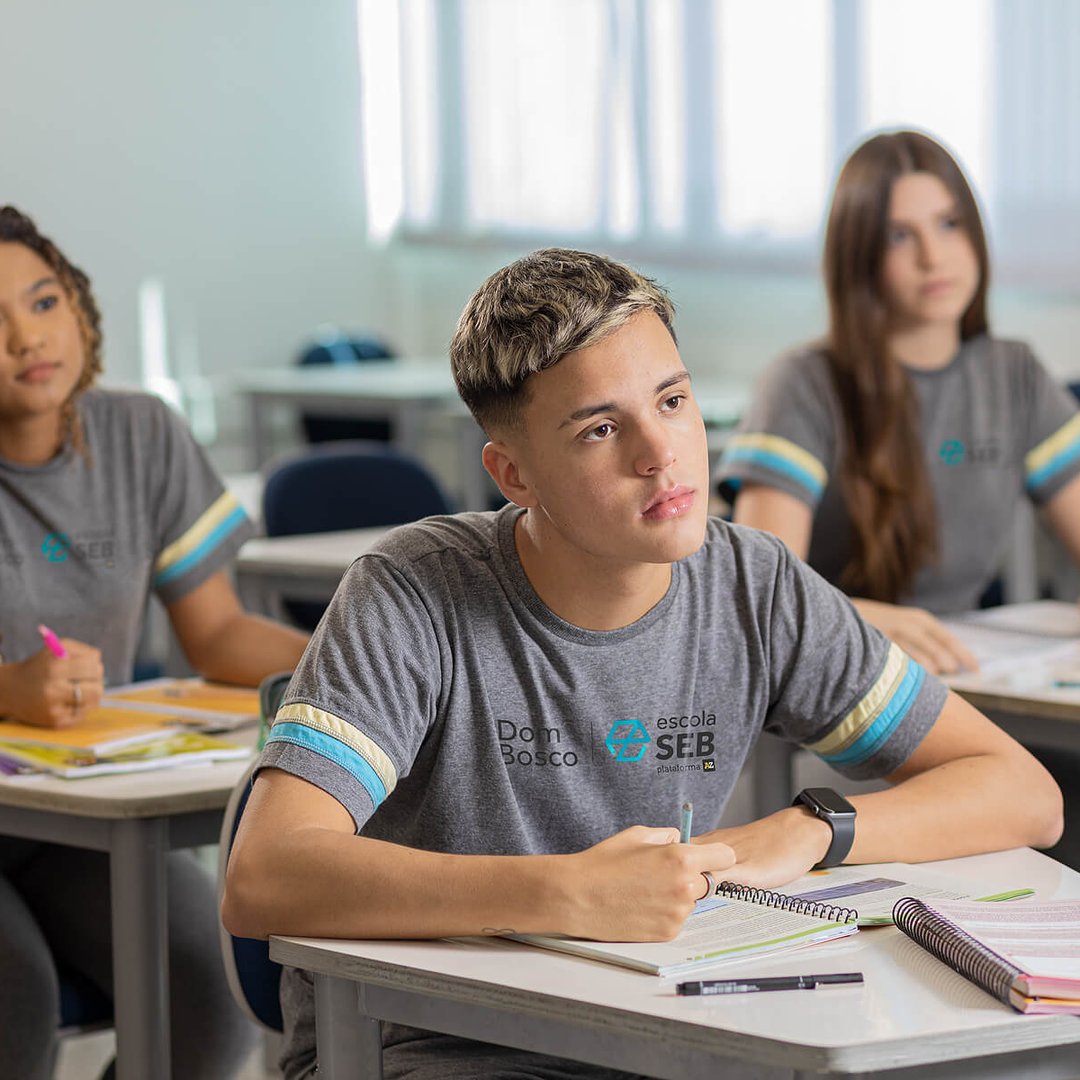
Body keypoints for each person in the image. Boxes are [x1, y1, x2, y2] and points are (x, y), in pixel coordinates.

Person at [223, 246, 1062, 1080]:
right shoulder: (414, 590)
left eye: (673, 400)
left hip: (668, 1035)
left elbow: (1022, 791)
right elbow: (264, 875)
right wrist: (565, 893)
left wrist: (808, 831)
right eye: (600, 428)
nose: (660, 454)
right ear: (513, 473)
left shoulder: (753, 584)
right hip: (432, 1044)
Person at [0, 205, 309, 1080]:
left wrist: (345, 665)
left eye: (44, 301)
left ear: (80, 309)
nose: (28, 337)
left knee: (211, 997)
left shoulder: (140, 433)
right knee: (13, 1001)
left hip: (78, 821)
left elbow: (214, 633)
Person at [714, 128, 1080, 864]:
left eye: (949, 225)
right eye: (899, 235)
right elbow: (764, 586)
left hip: (969, 677)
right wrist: (859, 618)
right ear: (858, 258)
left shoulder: (1014, 374)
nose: (933, 255)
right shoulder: (807, 383)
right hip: (836, 695)